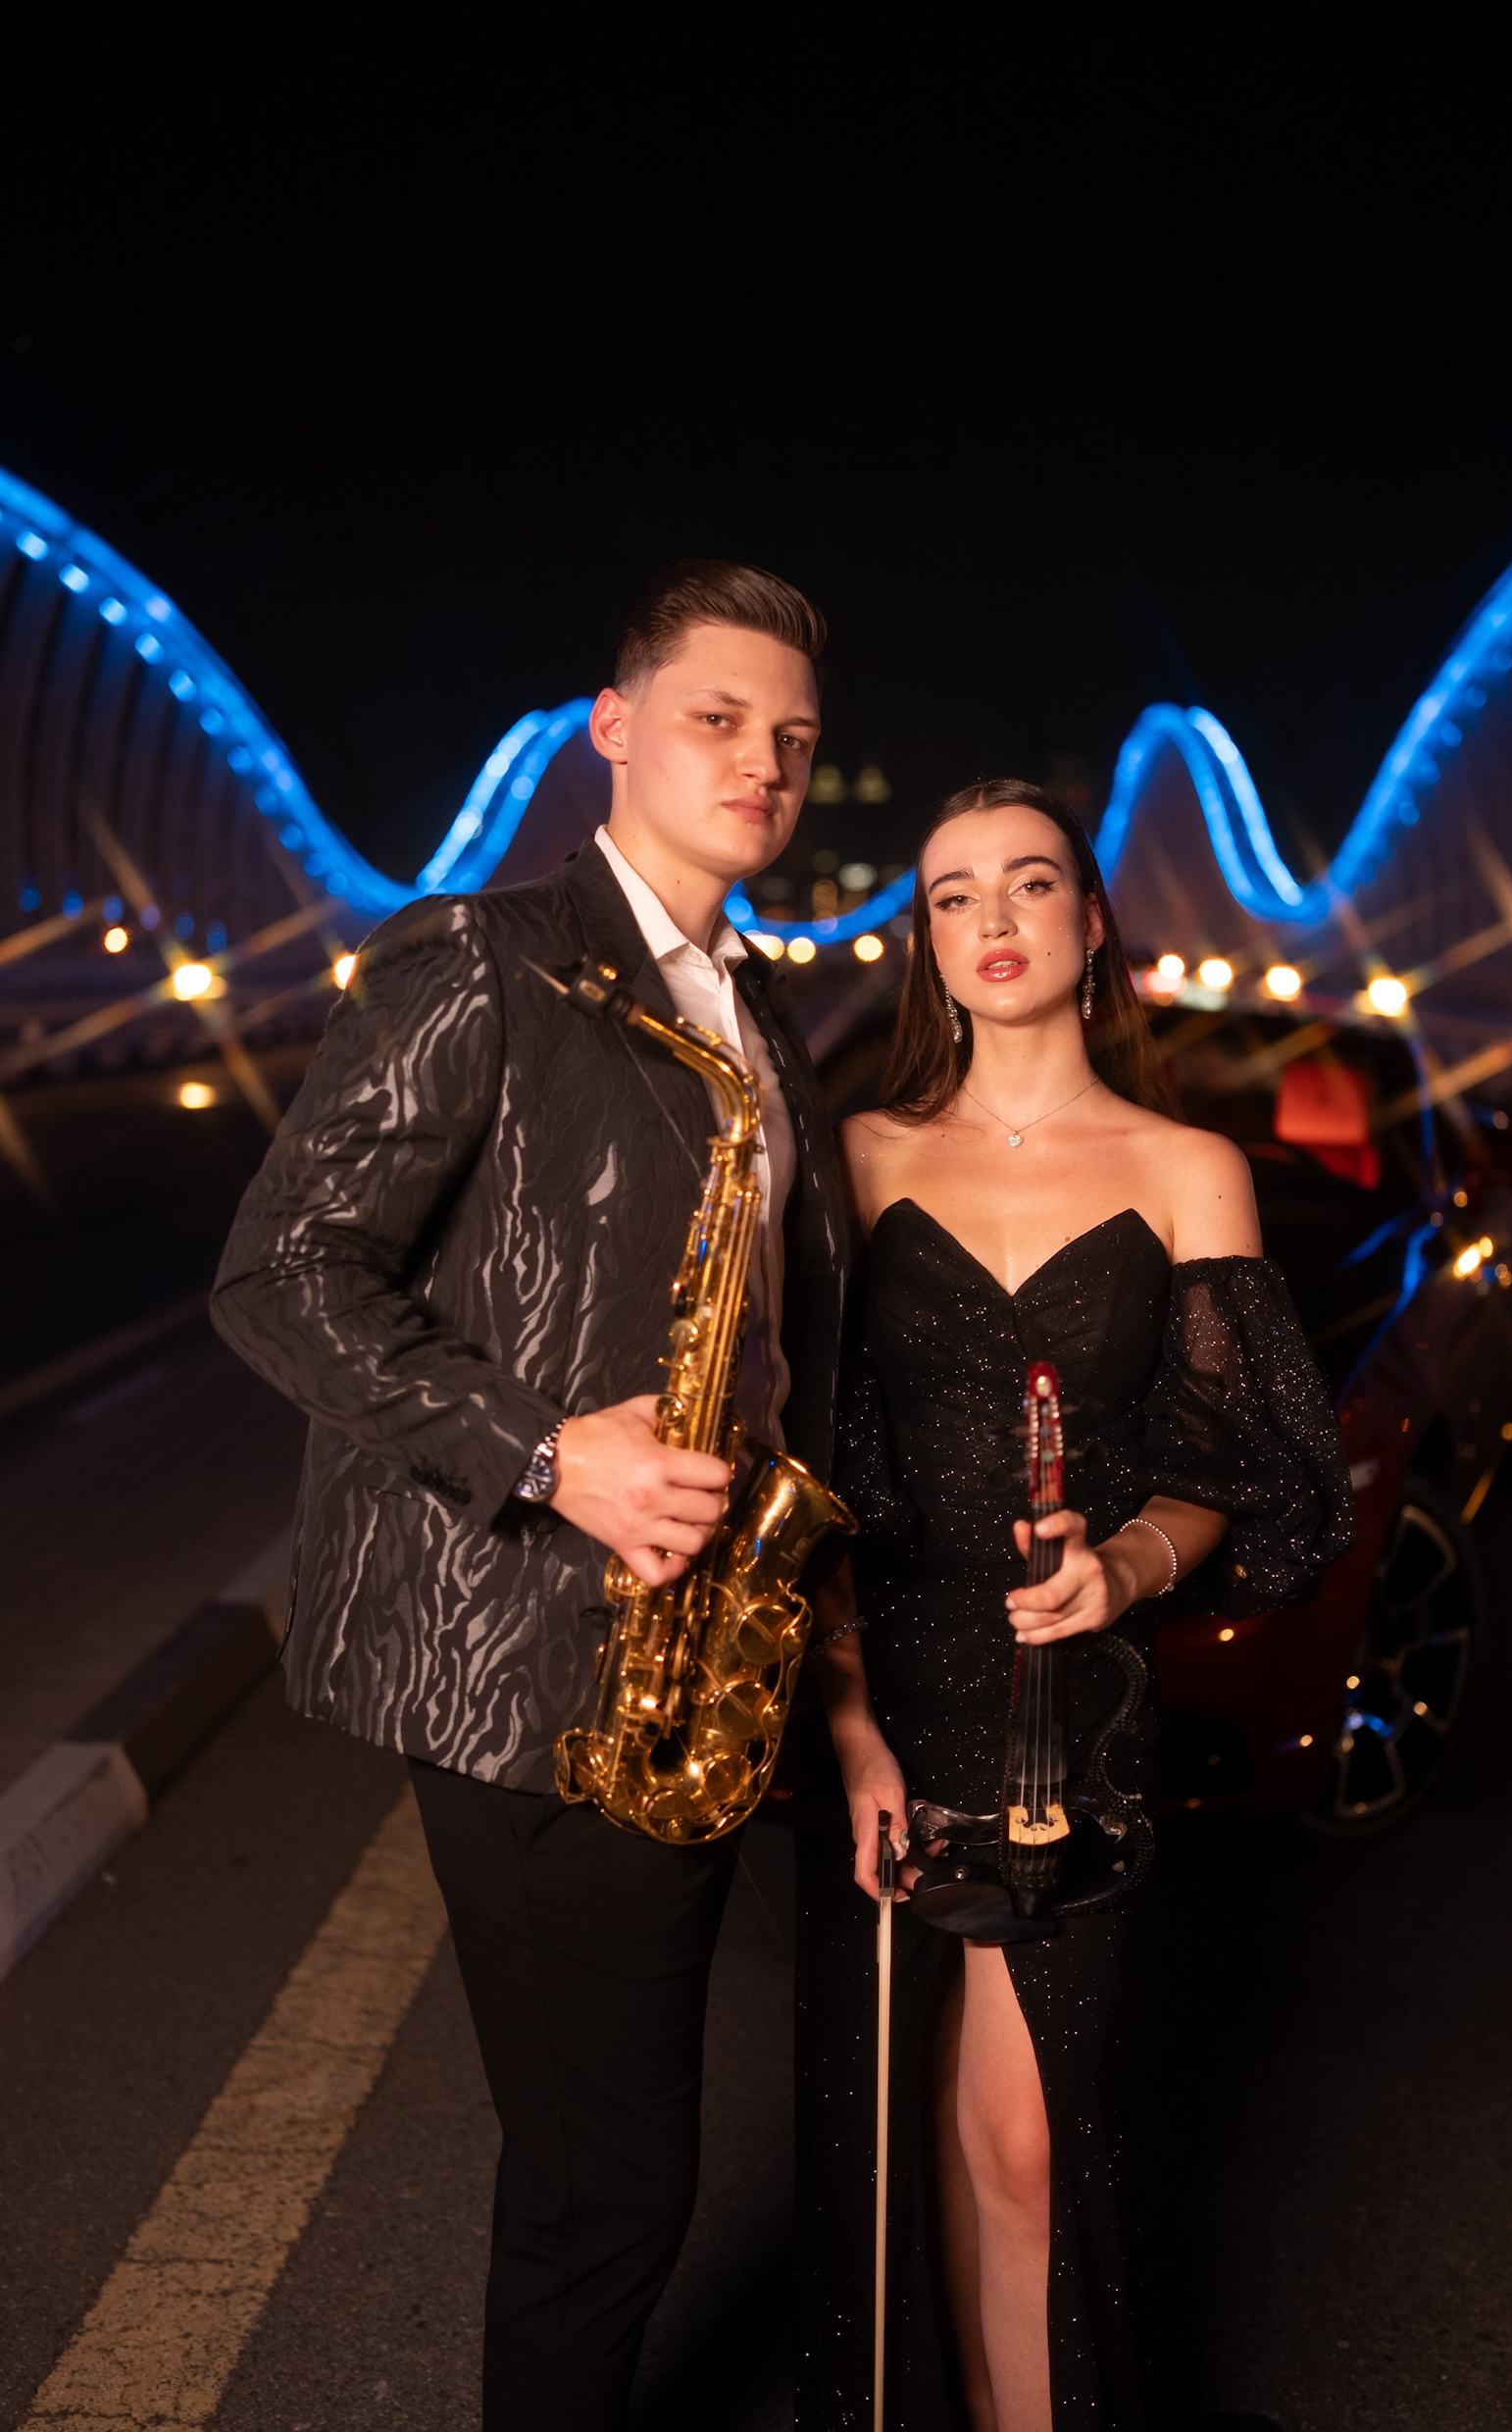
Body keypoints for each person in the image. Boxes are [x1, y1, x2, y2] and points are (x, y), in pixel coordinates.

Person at [212, 562, 848, 2432]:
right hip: (526, 1662)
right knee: (610, 2193)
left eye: (794, 737)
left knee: (607, 2171)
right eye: (718, 718)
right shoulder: (481, 954)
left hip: (692, 1639)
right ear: (617, 725)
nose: (762, 761)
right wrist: (552, 1451)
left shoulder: (759, 1014)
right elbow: (280, 1275)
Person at [796, 779, 1354, 2432]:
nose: (994, 918)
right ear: (926, 940)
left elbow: (1235, 1475)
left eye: (1031, 883)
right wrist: (846, 1718)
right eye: (954, 894)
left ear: (1091, 923)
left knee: (1033, 2140)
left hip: (1073, 1715)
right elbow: (812, 1472)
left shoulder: (1187, 1167)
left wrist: (1126, 1566)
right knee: (892, 2133)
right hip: (888, 1703)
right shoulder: (860, 1158)